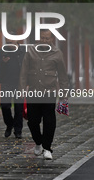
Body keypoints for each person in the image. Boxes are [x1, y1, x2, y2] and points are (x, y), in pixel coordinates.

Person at [19, 30, 68, 160]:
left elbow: (62, 75)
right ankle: (38, 142)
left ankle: (47, 148)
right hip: (33, 92)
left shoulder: (57, 53)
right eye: (42, 38)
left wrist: (64, 93)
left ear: (52, 39)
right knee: (33, 121)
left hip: (49, 92)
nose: (44, 40)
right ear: (38, 38)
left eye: (47, 38)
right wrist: (22, 89)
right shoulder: (30, 51)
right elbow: (24, 72)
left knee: (49, 121)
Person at [0, 38, 25, 139]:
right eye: (7, 42)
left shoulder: (22, 50)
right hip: (6, 82)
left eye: (10, 42)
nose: (8, 44)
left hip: (19, 83)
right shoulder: (4, 50)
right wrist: (3, 61)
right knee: (5, 105)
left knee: (18, 108)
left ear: (16, 41)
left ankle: (18, 130)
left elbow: (27, 66)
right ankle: (9, 124)